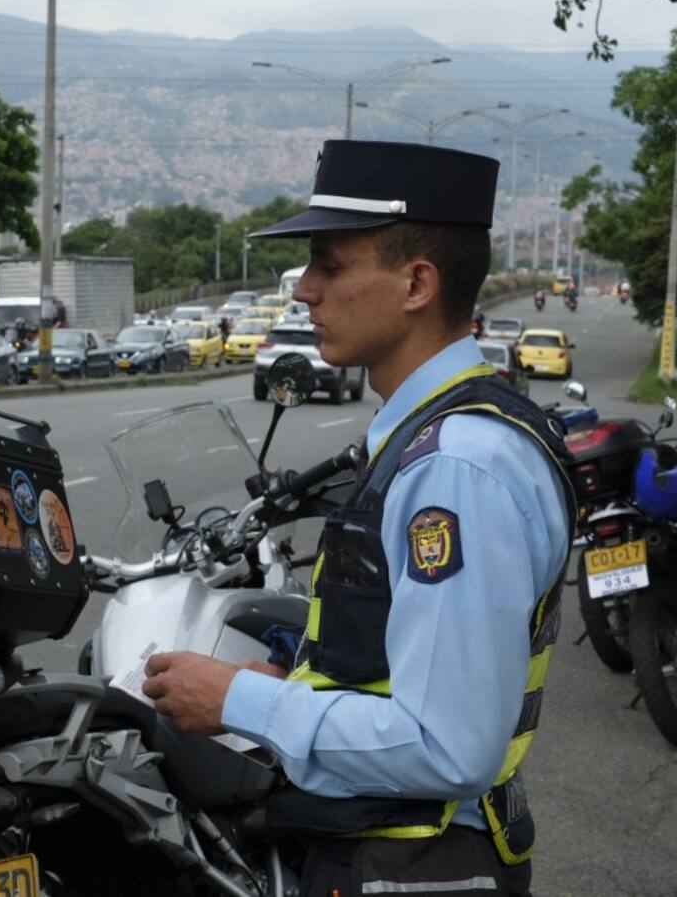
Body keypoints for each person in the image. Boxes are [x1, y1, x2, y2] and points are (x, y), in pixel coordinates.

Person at [141, 140, 575, 896]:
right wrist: (293, 684)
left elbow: (451, 746)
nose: (304, 291)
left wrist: (241, 701)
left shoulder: (454, 469)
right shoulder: (430, 436)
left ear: (416, 283)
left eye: (329, 266)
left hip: (410, 864)